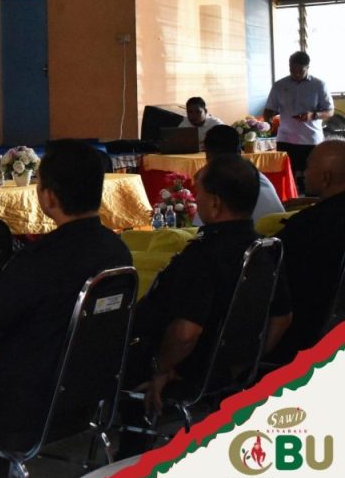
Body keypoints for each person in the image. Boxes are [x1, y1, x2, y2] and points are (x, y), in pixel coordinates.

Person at [0, 139, 132, 447]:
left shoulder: (40, 260)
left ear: (48, 197)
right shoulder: (117, 250)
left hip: (28, 401)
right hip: (89, 395)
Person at [124, 155, 292, 427]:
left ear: (215, 203)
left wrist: (159, 368)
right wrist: (245, 364)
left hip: (182, 366)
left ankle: (127, 442)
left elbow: (185, 334)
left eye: (198, 193)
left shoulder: (202, 257)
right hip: (227, 369)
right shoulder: (266, 248)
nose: (195, 200)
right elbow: (282, 319)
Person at [266, 139, 345, 363]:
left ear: (325, 178)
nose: (303, 174)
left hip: (305, 336)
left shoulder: (309, 225)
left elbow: (268, 269)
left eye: (308, 167)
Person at [264, 51, 334, 192]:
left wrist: (313, 115)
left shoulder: (319, 85)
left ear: (308, 67)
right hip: (285, 138)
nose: (296, 74)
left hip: (311, 139)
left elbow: (330, 111)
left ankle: (311, 201)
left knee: (311, 177)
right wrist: (268, 120)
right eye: (292, 70)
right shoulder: (279, 85)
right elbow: (269, 108)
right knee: (287, 177)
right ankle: (290, 201)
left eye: (300, 71)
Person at [189, 125, 284, 225]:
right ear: (239, 152)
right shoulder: (256, 176)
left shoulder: (217, 183)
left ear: (208, 157)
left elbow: (198, 228)